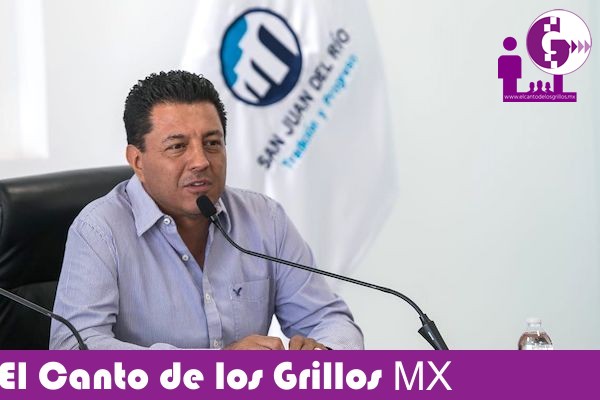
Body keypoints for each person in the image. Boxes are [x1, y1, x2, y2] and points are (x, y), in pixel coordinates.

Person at [50, 70, 363, 350]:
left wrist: (324, 352)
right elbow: (74, 348)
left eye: (212, 143)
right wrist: (213, 371)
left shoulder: (264, 218)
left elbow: (329, 319)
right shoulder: (99, 230)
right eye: (177, 146)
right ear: (137, 161)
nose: (200, 161)